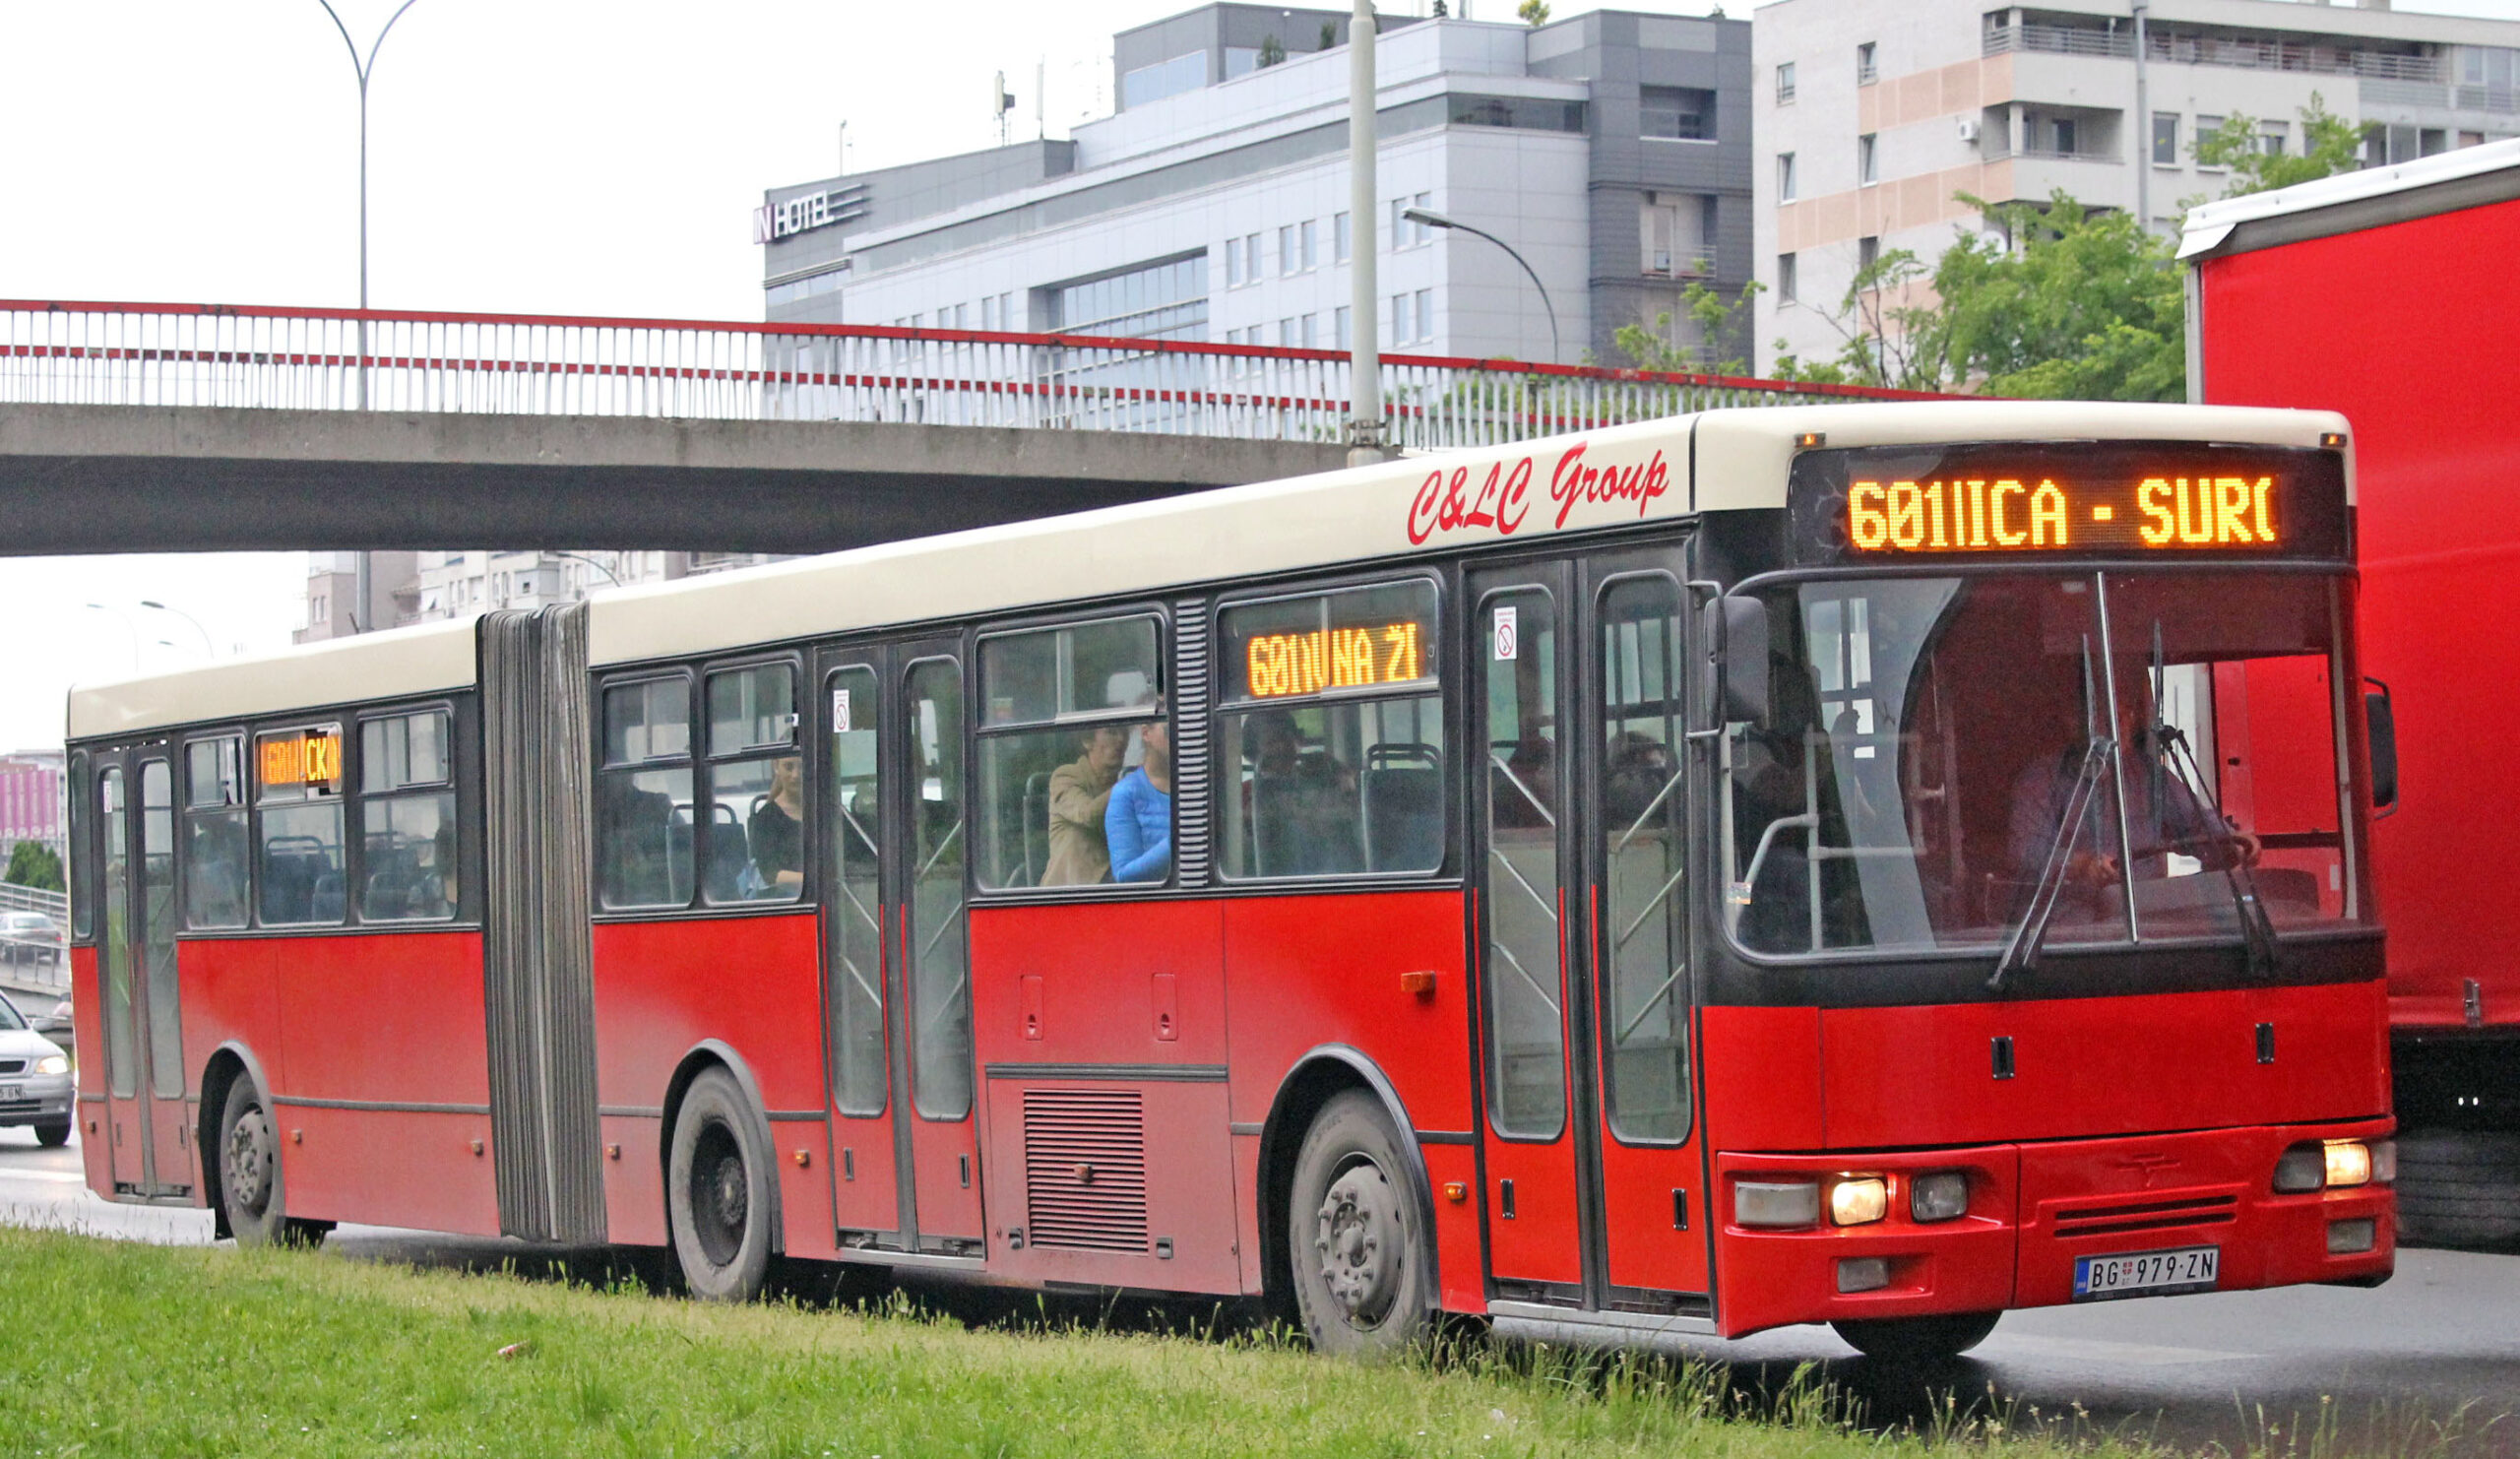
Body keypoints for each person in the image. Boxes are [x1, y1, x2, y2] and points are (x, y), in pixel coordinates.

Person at [2009, 700, 2260, 892]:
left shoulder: (2149, 774)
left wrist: (2231, 841)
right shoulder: (2042, 780)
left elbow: (2195, 824)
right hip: (2074, 930)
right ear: (2074, 721)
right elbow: (2027, 853)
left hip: (2145, 917)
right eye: (2106, 714)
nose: (2120, 723)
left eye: (2124, 714)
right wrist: (2081, 865)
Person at [1042, 723, 1127, 886]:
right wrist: (1126, 785)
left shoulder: (1119, 785)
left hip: (1113, 885)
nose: (1121, 740)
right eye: (1111, 732)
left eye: (1124, 732)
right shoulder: (1066, 777)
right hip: (1068, 897)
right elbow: (1087, 814)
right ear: (1088, 742)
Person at [1106, 702, 1172, 883]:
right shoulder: (1126, 794)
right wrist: (1177, 843)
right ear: (1146, 733)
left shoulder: (1200, 782)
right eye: (1169, 729)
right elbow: (1124, 874)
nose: (1179, 735)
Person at [748, 756, 805, 897]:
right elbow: (771, 875)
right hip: (788, 901)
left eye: (802, 767)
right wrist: (817, 880)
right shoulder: (765, 819)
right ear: (776, 767)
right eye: (789, 767)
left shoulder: (826, 809)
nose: (796, 775)